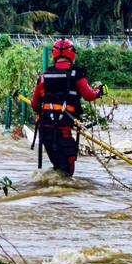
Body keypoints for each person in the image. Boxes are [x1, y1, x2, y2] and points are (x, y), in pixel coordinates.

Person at [31, 38, 106, 176]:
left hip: (45, 130)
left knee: (58, 166)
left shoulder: (44, 76)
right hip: (63, 130)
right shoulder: (75, 73)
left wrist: (43, 113)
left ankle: (53, 194)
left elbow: (34, 104)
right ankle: (62, 194)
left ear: (54, 55)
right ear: (72, 54)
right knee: (67, 171)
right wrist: (100, 91)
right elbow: (89, 95)